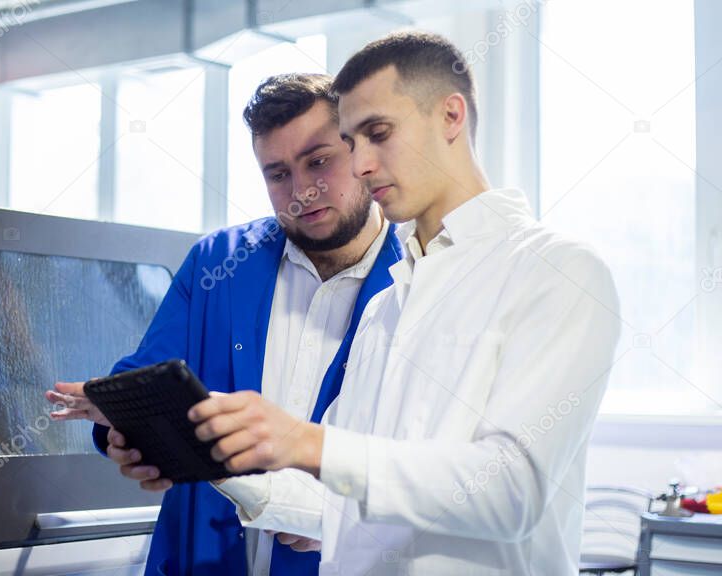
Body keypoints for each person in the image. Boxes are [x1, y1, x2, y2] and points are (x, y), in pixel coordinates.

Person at [187, 31, 622, 575]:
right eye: (351, 141)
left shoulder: (559, 271)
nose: (361, 163)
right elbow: (342, 502)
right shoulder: (384, 308)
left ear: (450, 116)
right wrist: (205, 458)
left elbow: (513, 490)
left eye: (378, 133)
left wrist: (310, 443)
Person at [45, 73, 403, 575]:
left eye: (319, 161)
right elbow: (147, 378)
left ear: (359, 150)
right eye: (278, 174)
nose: (302, 191)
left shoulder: (417, 280)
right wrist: (126, 431)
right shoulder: (219, 263)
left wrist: (345, 516)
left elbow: (424, 466)